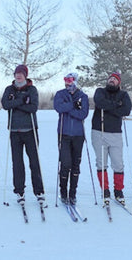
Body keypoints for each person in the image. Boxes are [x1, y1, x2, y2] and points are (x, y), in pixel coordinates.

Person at [1, 64, 45, 206]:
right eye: (16, 73)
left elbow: (33, 107)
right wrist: (21, 101)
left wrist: (15, 103)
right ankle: (19, 191)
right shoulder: (9, 89)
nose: (18, 75)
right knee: (17, 163)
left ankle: (39, 191)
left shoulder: (32, 89)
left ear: (25, 75)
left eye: (21, 73)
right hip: (14, 131)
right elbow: (5, 105)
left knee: (34, 162)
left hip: (30, 130)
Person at [91, 72, 132, 204]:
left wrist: (109, 107)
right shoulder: (100, 91)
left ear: (119, 82)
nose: (112, 80)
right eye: (110, 78)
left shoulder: (123, 95)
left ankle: (118, 190)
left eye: (115, 79)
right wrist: (116, 105)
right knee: (101, 162)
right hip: (99, 131)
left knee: (118, 163)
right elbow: (100, 102)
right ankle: (105, 190)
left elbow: (126, 110)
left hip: (115, 133)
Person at [53, 73, 89, 205]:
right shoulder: (60, 94)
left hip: (78, 135)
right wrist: (73, 105)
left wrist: (68, 109)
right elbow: (58, 108)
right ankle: (63, 192)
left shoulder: (83, 96)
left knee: (75, 165)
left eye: (70, 80)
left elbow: (83, 114)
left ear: (75, 81)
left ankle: (72, 193)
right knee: (65, 164)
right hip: (64, 133)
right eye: (65, 80)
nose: (67, 82)